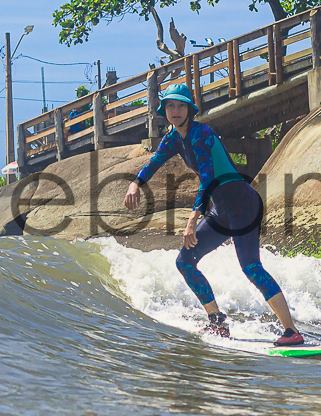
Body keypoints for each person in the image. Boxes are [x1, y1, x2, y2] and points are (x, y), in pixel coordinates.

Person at [124, 83, 304, 346]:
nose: (175, 111)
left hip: (243, 205)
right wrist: (135, 184)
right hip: (221, 210)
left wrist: (193, 218)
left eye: (181, 105)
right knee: (185, 262)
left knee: (251, 267)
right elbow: (154, 162)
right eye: (170, 106)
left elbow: (208, 178)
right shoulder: (173, 138)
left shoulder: (202, 134)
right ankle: (217, 322)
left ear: (189, 109)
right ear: (165, 110)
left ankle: (291, 331)